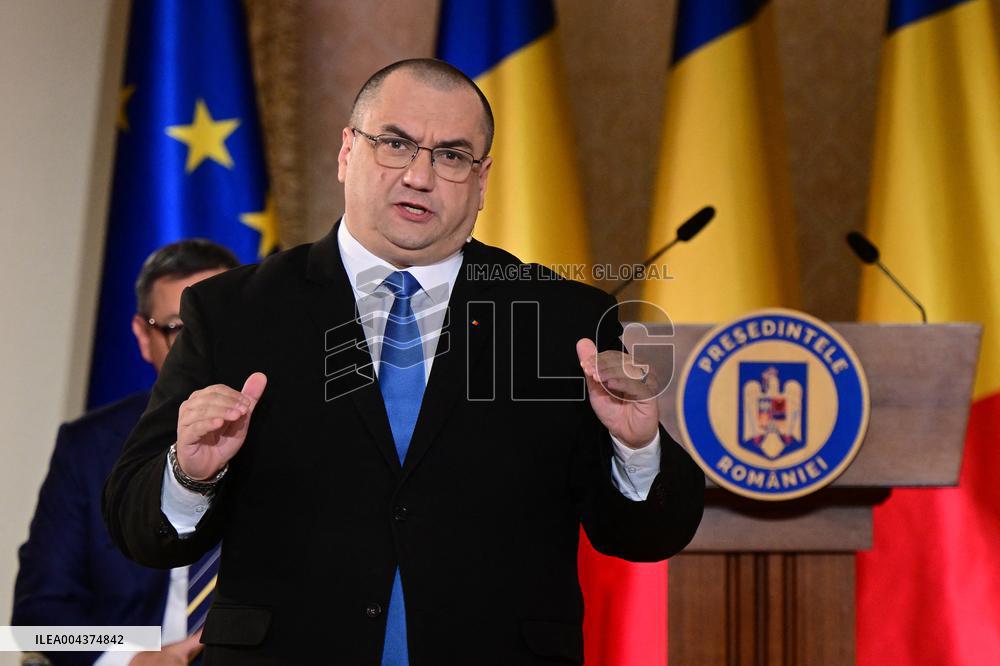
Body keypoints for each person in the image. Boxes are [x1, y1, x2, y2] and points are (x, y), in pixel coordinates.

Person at [103, 59, 704, 665]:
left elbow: (646, 537)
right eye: (395, 144)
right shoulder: (233, 311)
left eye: (451, 155)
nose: (420, 175)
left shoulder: (562, 321)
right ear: (347, 152)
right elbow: (137, 527)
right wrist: (191, 473)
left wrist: (638, 449)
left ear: (482, 179)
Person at [13, 240, 240, 666]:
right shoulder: (90, 447)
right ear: (143, 335)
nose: (201, 345)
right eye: (178, 328)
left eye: (217, 323)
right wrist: (130, 658)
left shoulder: (296, 430)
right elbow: (36, 622)